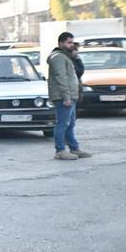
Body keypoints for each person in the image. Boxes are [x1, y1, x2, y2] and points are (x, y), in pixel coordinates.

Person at [47, 32, 93, 161]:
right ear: (61, 43)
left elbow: (77, 74)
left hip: (71, 95)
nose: (72, 45)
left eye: (72, 42)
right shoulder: (58, 57)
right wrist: (66, 97)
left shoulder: (67, 57)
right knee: (62, 123)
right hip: (63, 96)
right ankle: (60, 150)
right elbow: (60, 78)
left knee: (70, 123)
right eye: (69, 42)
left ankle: (74, 148)